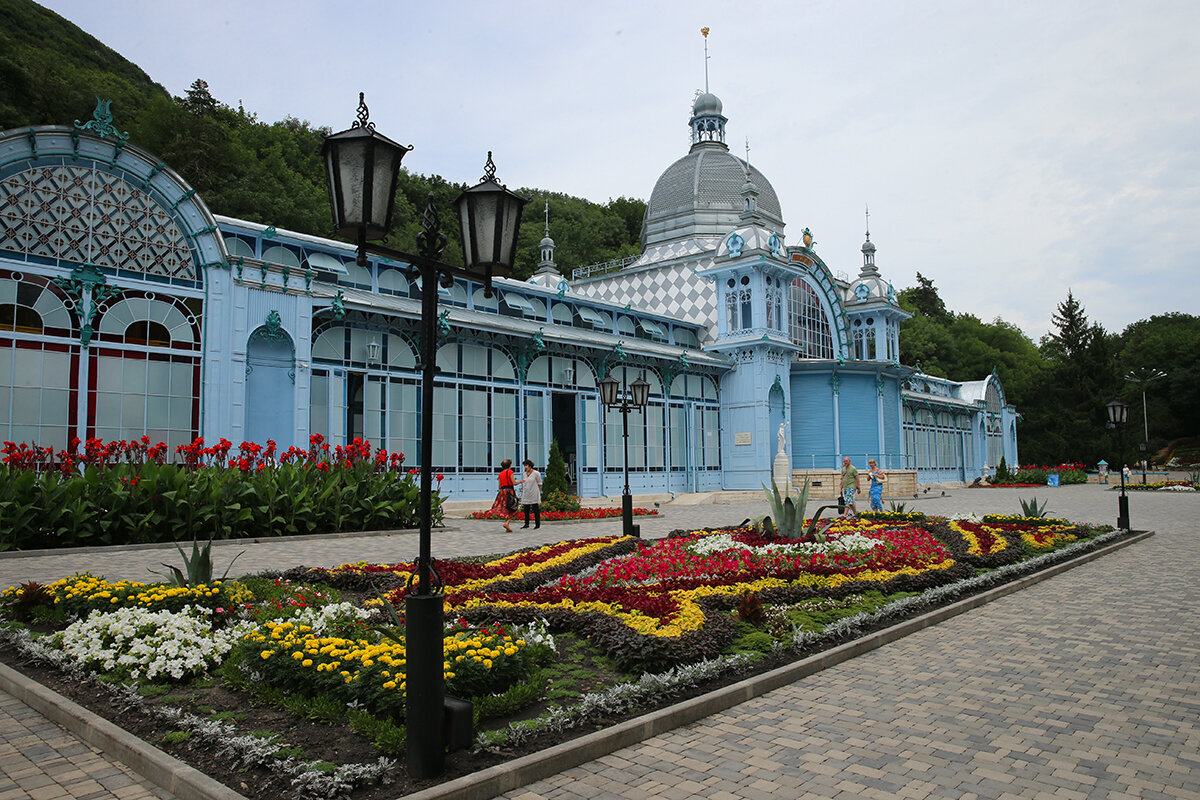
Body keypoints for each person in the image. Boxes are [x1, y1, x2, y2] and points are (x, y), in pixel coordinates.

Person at [490, 459, 520, 532]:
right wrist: (520, 481)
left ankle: (507, 527)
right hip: (509, 491)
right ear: (509, 465)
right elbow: (514, 483)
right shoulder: (510, 472)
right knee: (513, 507)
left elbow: (499, 486)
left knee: (505, 508)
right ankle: (507, 523)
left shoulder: (500, 474)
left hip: (502, 492)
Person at [519, 459, 543, 529]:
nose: (525, 467)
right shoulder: (524, 474)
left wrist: (538, 492)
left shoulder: (536, 473)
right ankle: (526, 524)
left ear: (530, 466)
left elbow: (540, 483)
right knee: (526, 509)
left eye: (527, 465)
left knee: (535, 509)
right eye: (524, 465)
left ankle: (537, 524)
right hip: (526, 493)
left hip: (534, 493)